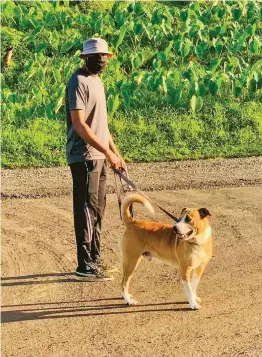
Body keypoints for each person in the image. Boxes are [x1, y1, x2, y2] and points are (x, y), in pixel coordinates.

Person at [65, 38, 126, 281]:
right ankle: (84, 265)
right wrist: (106, 152)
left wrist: (114, 152)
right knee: (86, 209)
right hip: (84, 156)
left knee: (98, 208)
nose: (101, 59)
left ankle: (95, 258)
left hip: (100, 154)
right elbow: (80, 125)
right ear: (84, 58)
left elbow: (102, 124)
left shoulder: (97, 82)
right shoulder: (77, 81)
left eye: (104, 56)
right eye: (95, 56)